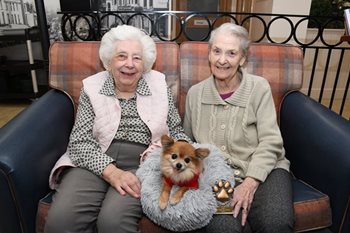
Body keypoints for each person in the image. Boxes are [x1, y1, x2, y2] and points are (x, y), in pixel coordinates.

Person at [44, 25, 191, 233]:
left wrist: (185, 153)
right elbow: (79, 142)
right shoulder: (92, 87)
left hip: (142, 165)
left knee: (113, 223)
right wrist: (110, 171)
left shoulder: (159, 85)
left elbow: (176, 130)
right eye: (121, 56)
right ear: (109, 61)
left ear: (145, 63)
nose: (129, 64)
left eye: (137, 58)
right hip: (93, 160)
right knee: (60, 222)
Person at [183, 23, 294, 233]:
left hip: (266, 169)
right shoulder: (195, 94)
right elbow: (188, 142)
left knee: (276, 222)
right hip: (218, 176)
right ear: (209, 54)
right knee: (223, 228)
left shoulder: (259, 88)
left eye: (231, 53)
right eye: (216, 51)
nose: (222, 60)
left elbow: (271, 142)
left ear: (243, 59)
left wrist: (250, 182)